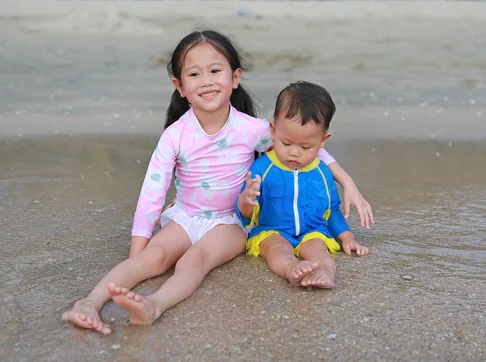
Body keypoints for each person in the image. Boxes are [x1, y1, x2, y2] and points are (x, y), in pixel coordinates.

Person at [61, 30, 373, 335]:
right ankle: (89, 302)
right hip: (185, 216)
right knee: (153, 258)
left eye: (215, 70)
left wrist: (347, 182)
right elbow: (151, 195)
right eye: (194, 74)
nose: (207, 81)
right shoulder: (175, 136)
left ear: (234, 77)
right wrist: (137, 256)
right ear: (180, 86)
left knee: (194, 260)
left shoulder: (252, 129)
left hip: (231, 223)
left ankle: (153, 305)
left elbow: (304, 147)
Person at [235, 81, 369, 289]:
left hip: (312, 231)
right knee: (276, 248)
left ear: (323, 140)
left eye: (306, 146)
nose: (294, 152)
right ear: (273, 131)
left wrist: (347, 238)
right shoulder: (262, 168)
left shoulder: (323, 173)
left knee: (318, 249)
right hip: (272, 230)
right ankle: (290, 269)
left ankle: (325, 272)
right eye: (286, 143)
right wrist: (245, 200)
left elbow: (331, 211)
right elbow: (244, 214)